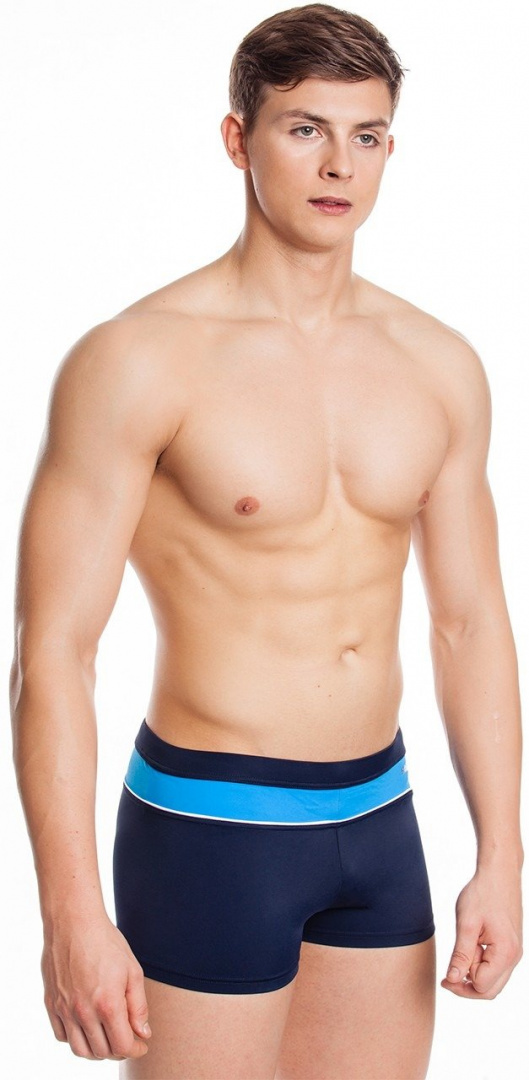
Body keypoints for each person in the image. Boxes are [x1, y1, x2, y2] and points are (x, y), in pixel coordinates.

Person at [10, 3, 524, 1078]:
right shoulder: (139, 359)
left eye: (366, 135)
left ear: (389, 148)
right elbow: (53, 649)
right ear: (238, 139)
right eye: (304, 129)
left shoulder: (438, 364)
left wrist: (501, 855)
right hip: (209, 829)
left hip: (380, 823)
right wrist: (69, 915)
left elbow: (469, 622)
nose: (339, 165)